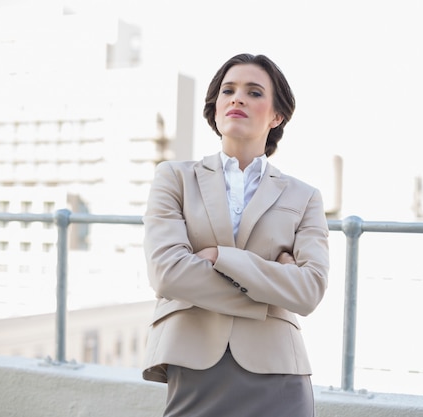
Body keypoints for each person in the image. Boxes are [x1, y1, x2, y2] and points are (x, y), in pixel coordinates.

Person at [142, 53, 330, 417]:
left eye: (254, 92)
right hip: (193, 361)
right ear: (215, 110)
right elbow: (167, 274)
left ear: (277, 116)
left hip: (279, 373)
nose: (237, 98)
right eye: (228, 90)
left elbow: (309, 291)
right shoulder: (175, 178)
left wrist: (218, 258)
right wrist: (273, 284)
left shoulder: (304, 196)